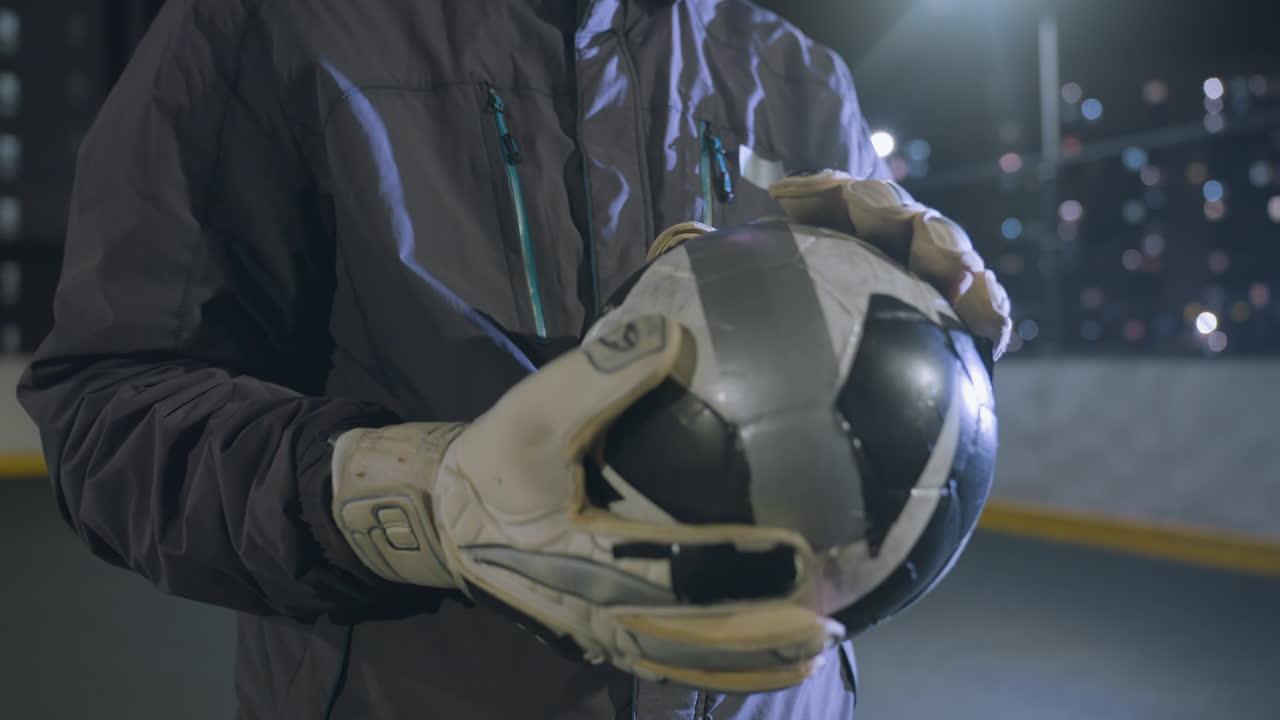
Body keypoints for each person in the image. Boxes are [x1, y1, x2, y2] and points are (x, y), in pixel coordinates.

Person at [18, 1, 1010, 718]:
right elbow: (111, 410)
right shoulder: (268, 30)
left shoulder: (793, 74)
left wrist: (938, 363)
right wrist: (428, 501)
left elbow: (862, 422)